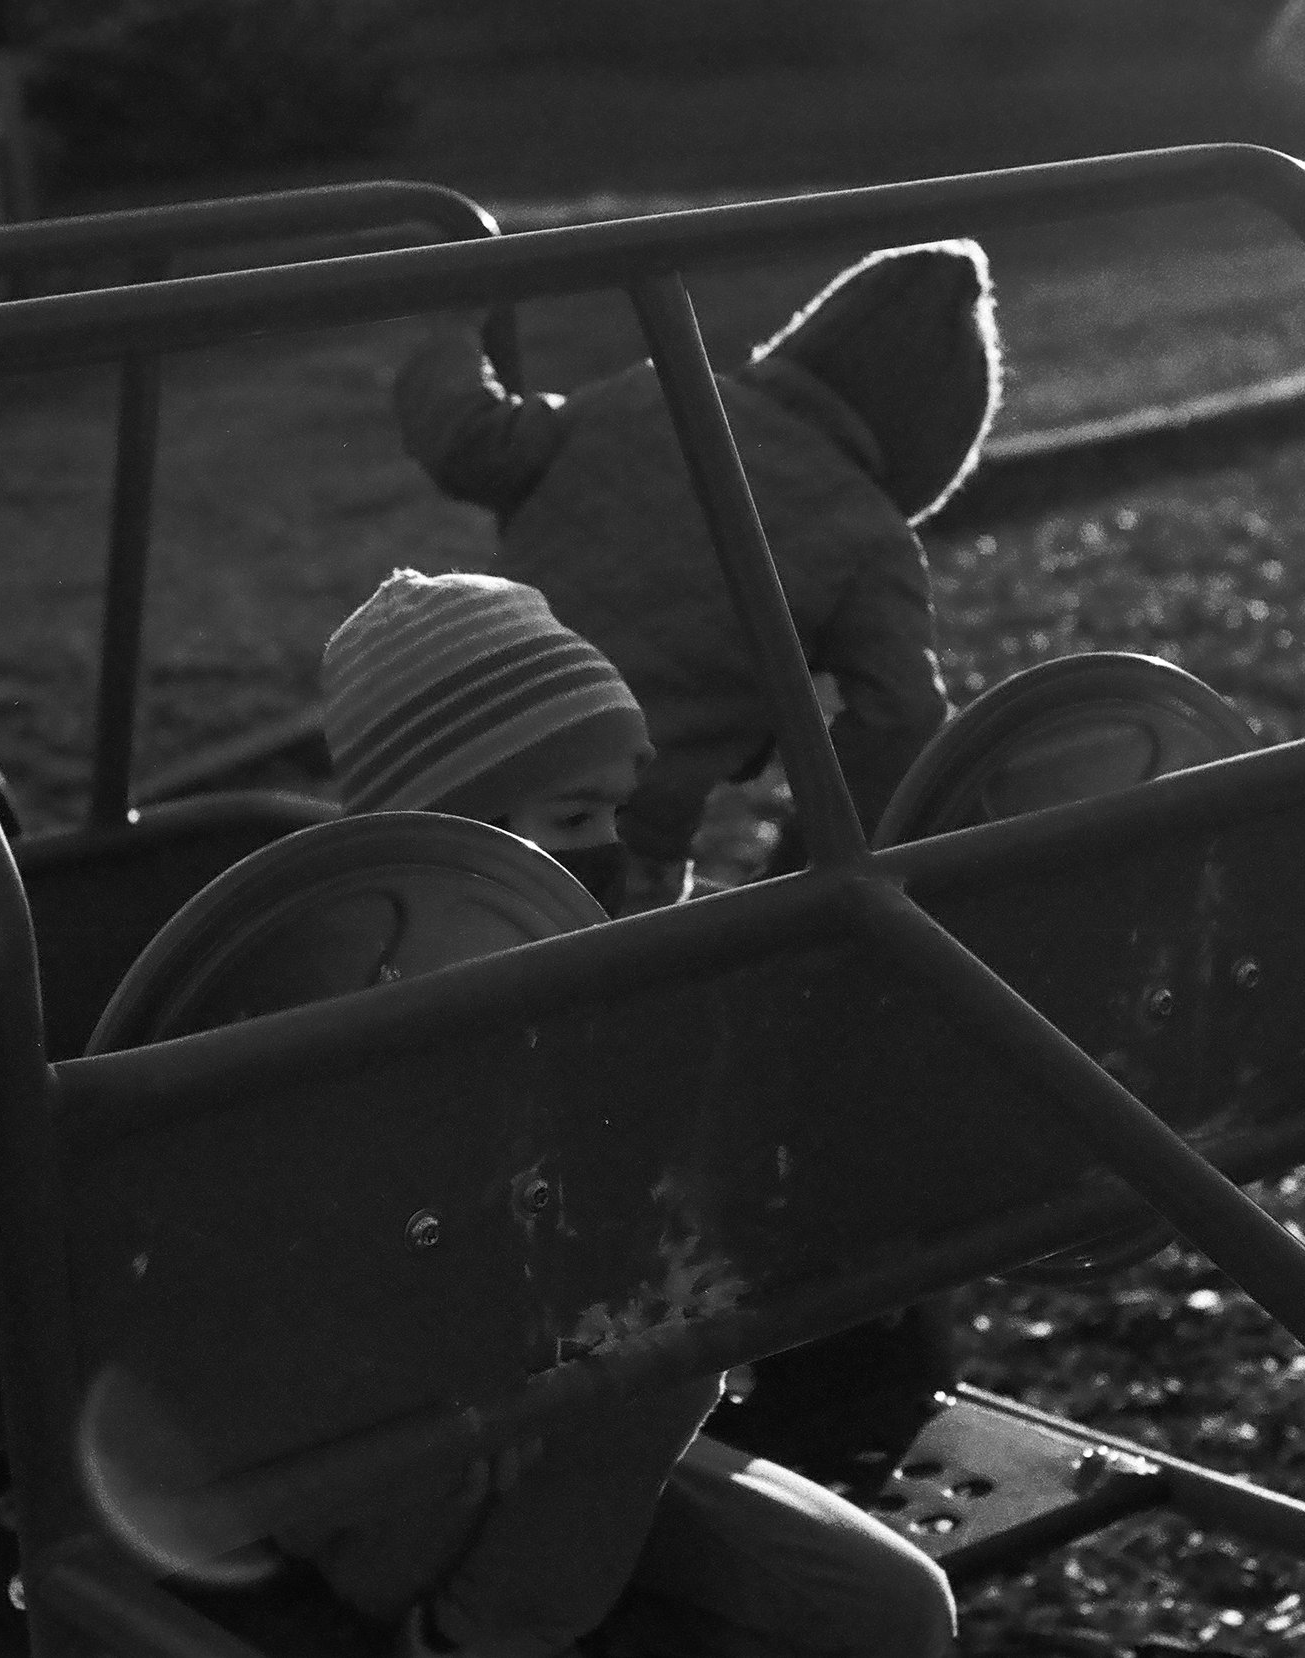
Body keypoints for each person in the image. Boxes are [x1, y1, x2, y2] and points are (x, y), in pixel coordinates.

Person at [306, 568, 958, 1658]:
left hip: (563, 1431)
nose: (611, 846)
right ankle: (468, 1641)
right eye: (573, 816)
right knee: (662, 1364)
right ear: (450, 839)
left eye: (618, 806)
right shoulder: (353, 1021)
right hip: (383, 1479)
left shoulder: (593, 985)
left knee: (890, 1609)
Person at [392, 241, 1003, 905]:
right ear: (932, 456)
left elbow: (468, 440)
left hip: (445, 764)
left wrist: (451, 327)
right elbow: (901, 722)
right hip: (607, 842)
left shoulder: (653, 396)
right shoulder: (871, 541)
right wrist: (808, 870)